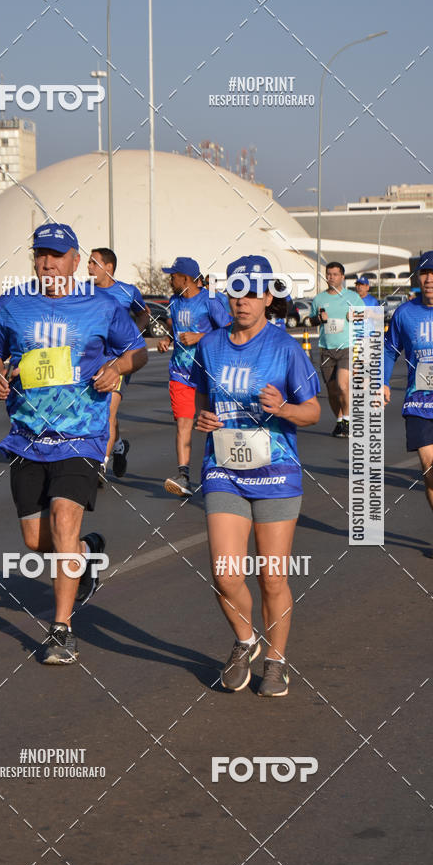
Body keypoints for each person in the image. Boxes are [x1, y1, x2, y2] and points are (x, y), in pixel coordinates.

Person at [0, 223, 147, 663]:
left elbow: (137, 350)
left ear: (76, 260)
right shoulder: (12, 305)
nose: (48, 263)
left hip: (81, 435)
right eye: (41, 255)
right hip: (28, 436)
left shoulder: (102, 306)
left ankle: (61, 629)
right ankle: (87, 554)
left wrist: (118, 367)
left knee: (64, 521)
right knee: (37, 541)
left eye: (57, 255)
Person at [193, 255, 320, 696]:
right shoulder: (210, 346)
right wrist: (204, 420)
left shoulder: (284, 347)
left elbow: (313, 411)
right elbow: (202, 400)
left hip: (276, 473)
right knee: (225, 573)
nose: (242, 301)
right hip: (223, 470)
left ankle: (276, 660)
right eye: (235, 291)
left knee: (272, 578)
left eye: (252, 292)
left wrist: (282, 408)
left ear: (268, 297)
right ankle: (245, 641)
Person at [384, 250, 433, 558]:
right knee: (430, 470)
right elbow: (389, 350)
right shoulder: (405, 313)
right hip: (418, 402)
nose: (429, 279)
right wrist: (382, 382)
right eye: (424, 274)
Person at [157, 256, 231, 496]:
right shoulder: (174, 301)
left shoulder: (209, 300)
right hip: (180, 372)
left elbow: (228, 330)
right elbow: (176, 327)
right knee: (183, 423)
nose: (170, 279)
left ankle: (223, 473)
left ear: (186, 278)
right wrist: (168, 338)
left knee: (215, 424)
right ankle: (184, 476)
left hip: (207, 372)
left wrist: (199, 338)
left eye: (173, 275)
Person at [87, 247, 150, 481]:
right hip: (92, 360)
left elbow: (144, 313)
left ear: (108, 267)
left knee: (108, 411)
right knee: (96, 409)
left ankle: (100, 466)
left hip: (118, 360)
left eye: (94, 263)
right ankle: (119, 446)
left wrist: (134, 336)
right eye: (89, 263)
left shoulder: (127, 291)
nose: (89, 267)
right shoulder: (84, 292)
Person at [309, 261, 365, 438]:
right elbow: (312, 320)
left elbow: (366, 315)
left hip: (347, 347)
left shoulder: (353, 297)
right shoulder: (319, 299)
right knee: (332, 391)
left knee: (343, 385)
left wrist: (354, 315)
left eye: (335, 274)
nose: (331, 277)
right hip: (326, 349)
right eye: (329, 274)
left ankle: (348, 420)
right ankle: (340, 421)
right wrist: (319, 318)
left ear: (342, 276)